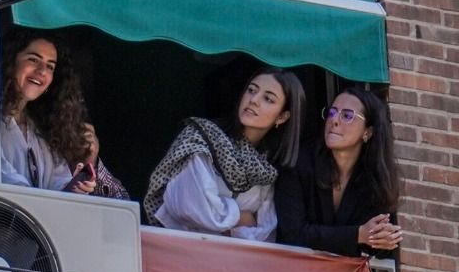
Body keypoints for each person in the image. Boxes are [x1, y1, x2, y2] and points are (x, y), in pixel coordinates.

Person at [142, 68, 303, 241]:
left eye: (268, 99)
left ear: (282, 117)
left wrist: (226, 225)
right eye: (251, 90)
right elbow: (191, 207)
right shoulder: (201, 138)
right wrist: (243, 218)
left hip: (235, 263)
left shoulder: (267, 168)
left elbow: (265, 233)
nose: (254, 100)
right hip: (180, 253)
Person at [0, 31, 129, 198]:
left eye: (50, 66)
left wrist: (77, 183)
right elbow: (0, 174)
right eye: (33, 59)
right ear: (11, 61)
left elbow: (59, 188)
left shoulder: (42, 133)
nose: (41, 71)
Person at [275, 86, 401, 256]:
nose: (334, 120)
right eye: (332, 112)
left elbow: (378, 247)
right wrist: (358, 235)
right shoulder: (298, 162)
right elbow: (293, 234)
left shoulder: (374, 179)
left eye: (347, 116)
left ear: (367, 132)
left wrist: (378, 238)